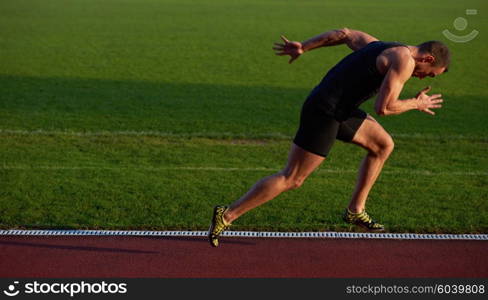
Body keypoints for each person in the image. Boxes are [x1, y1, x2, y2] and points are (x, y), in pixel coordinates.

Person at [208, 28, 450, 247]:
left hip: (340, 110)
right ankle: (227, 215)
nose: (423, 78)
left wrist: (304, 46)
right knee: (292, 178)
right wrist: (416, 103)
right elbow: (384, 108)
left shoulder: (383, 45)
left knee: (383, 145)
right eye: (430, 74)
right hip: (325, 112)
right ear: (427, 59)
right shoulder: (404, 61)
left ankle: (355, 210)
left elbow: (344, 34)